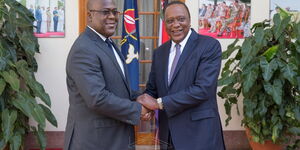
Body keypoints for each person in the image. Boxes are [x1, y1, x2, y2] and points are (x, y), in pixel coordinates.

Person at [137, 1, 226, 150]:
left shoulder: (209, 46)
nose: (176, 24)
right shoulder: (160, 52)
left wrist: (158, 104)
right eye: (170, 21)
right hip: (169, 135)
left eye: (181, 19)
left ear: (189, 20)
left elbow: (203, 89)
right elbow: (153, 89)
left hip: (200, 135)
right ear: (165, 24)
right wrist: (146, 106)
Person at [64, 0, 151, 149]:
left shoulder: (107, 43)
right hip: (95, 142)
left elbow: (116, 86)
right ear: (90, 16)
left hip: (113, 138)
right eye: (105, 12)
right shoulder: (84, 49)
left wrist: (137, 97)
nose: (112, 16)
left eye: (114, 11)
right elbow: (97, 98)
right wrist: (137, 110)